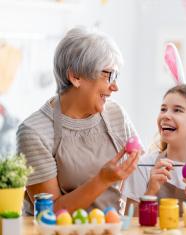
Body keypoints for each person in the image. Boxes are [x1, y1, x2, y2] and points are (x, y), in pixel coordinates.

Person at [17, 27, 142, 215]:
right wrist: (102, 179)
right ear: (75, 76)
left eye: (115, 76)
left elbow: (139, 175)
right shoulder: (34, 131)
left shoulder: (116, 114)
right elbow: (48, 213)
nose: (115, 86)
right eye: (108, 75)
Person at [123, 41, 186, 217]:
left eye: (177, 110)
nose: (165, 115)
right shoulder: (142, 166)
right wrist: (151, 190)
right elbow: (130, 225)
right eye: (163, 109)